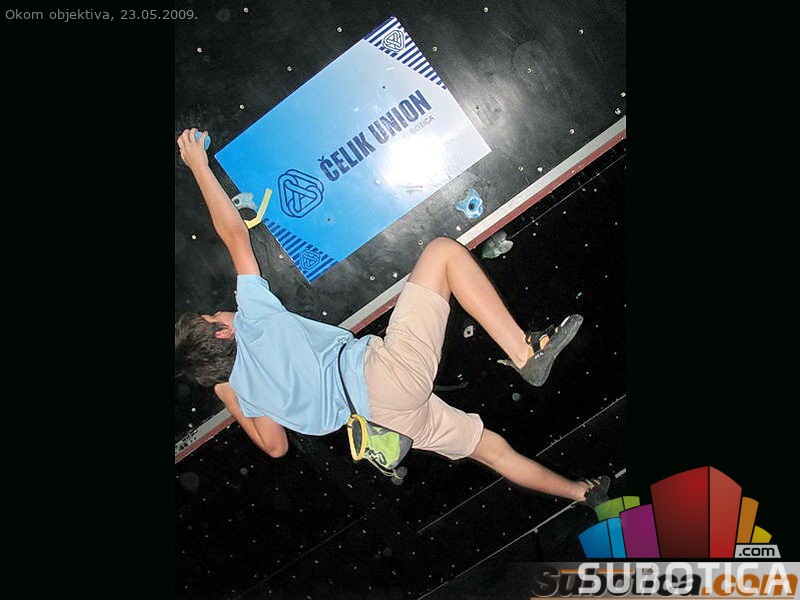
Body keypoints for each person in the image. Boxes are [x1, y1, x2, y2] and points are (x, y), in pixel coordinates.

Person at [175, 128, 610, 507]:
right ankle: (523, 351)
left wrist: (226, 390)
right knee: (442, 253)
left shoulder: (247, 393)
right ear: (223, 332)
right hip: (382, 379)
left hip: (386, 423)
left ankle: (581, 493)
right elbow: (234, 235)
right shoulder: (251, 321)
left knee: (492, 451)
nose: (220, 311)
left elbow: (273, 447)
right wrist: (198, 165)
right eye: (214, 315)